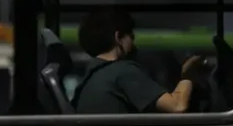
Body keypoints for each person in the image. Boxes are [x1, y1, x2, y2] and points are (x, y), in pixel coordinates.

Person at [72, 8, 206, 114]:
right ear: (118, 37)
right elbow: (177, 106)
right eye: (131, 36)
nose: (134, 44)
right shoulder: (123, 71)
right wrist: (188, 74)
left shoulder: (89, 77)